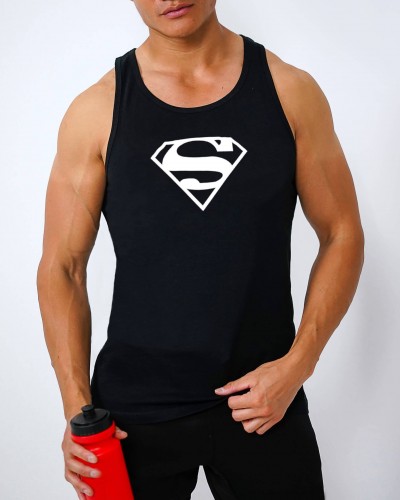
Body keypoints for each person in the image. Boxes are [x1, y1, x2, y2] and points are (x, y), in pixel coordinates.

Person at [36, 1, 365, 499]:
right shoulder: (96, 110)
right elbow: (63, 267)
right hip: (133, 415)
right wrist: (78, 412)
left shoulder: (289, 91)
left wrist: (298, 364)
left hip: (263, 402)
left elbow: (341, 232)